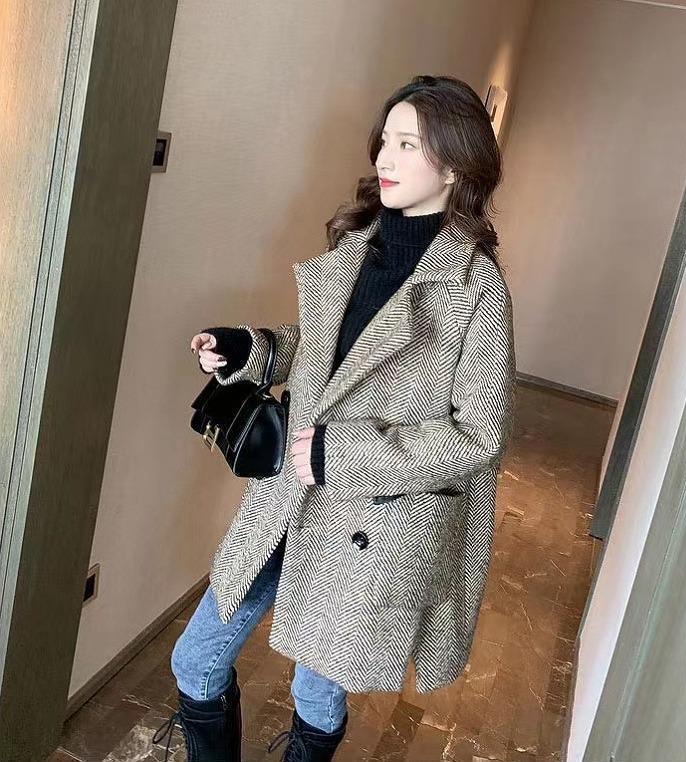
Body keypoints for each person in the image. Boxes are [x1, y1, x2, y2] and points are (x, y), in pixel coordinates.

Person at [152, 73, 517, 762]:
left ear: (455, 165)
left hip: (371, 526)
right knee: (196, 660)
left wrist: (340, 453)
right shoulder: (358, 245)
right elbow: (325, 356)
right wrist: (253, 349)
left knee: (315, 693)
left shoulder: (476, 290)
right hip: (288, 498)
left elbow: (479, 437)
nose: (384, 157)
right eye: (385, 139)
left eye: (408, 144)